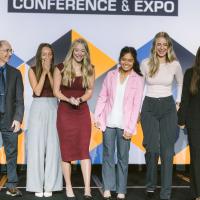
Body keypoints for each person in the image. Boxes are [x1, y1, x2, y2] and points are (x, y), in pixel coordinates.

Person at [94, 47, 144, 200]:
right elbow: (102, 96)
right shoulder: (111, 75)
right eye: (124, 59)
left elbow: (136, 106)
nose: (126, 62)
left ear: (133, 61)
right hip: (108, 122)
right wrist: (97, 116)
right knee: (108, 155)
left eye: (129, 60)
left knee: (123, 157)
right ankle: (108, 187)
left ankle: (121, 189)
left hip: (125, 125)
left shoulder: (138, 79)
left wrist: (131, 127)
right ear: (120, 59)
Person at [140, 32, 183, 200]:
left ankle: (166, 192)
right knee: (151, 149)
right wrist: (139, 108)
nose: (162, 47)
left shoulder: (175, 65)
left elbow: (180, 82)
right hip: (149, 106)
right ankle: (150, 185)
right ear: (154, 46)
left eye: (165, 44)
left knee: (167, 151)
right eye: (159, 44)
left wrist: (178, 102)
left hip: (168, 107)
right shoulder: (145, 63)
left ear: (169, 47)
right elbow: (140, 86)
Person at [53, 38, 95, 200]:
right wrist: (68, 99)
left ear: (86, 53)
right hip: (65, 112)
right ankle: (69, 187)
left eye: (82, 51)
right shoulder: (60, 68)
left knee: (84, 150)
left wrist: (81, 99)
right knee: (66, 151)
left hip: (82, 112)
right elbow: (56, 91)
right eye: (76, 50)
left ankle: (87, 189)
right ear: (72, 51)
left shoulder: (90, 68)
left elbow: (90, 91)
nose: (79, 53)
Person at [26, 43, 62, 197]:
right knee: (36, 148)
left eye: (49, 54)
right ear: (39, 56)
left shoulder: (56, 70)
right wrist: (44, 73)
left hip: (54, 106)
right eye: (44, 54)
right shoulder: (32, 70)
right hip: (38, 108)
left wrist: (49, 73)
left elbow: (56, 91)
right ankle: (36, 185)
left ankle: (50, 185)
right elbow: (37, 90)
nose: (47, 57)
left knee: (54, 147)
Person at [0, 40, 24, 196]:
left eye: (11, 50)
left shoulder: (15, 73)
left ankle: (12, 184)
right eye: (7, 50)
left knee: (12, 152)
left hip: (9, 118)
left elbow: (19, 100)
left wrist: (18, 118)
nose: (10, 53)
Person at [178, 47, 200, 200]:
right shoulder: (190, 73)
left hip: (194, 121)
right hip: (195, 122)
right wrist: (181, 119)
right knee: (197, 159)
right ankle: (198, 193)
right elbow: (185, 98)